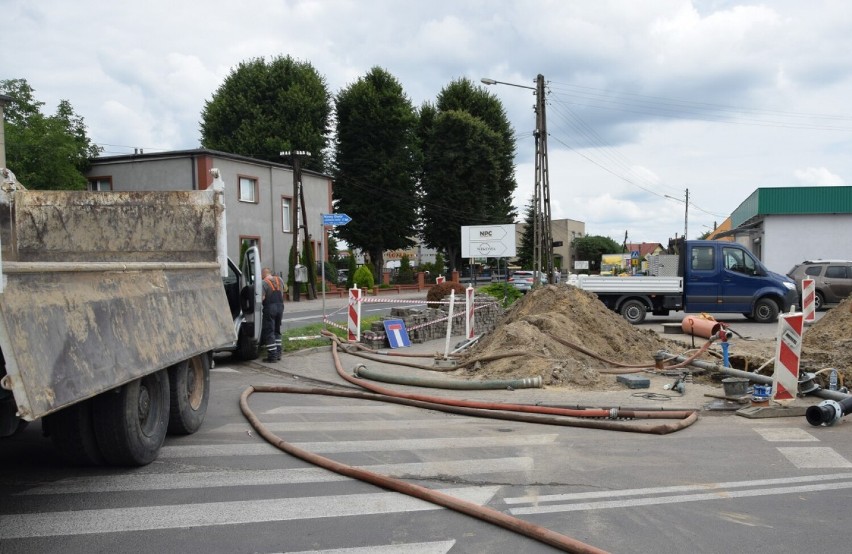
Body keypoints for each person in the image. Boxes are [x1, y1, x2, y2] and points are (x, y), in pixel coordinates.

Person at [260, 267, 286, 362]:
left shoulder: (264, 283)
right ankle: (278, 353)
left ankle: (272, 356)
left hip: (270, 308)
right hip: (280, 307)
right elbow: (282, 293)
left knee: (269, 331)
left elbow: (262, 298)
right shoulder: (279, 280)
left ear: (263, 274)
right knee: (277, 330)